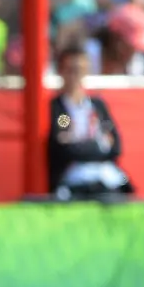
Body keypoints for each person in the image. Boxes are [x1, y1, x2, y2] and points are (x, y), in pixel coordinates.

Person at [48, 45, 132, 198]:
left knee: (122, 189)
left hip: (104, 172)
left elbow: (115, 144)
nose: (76, 75)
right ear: (61, 71)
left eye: (80, 70)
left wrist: (85, 145)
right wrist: (97, 146)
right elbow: (63, 144)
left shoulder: (96, 106)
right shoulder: (61, 109)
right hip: (74, 175)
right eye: (71, 70)